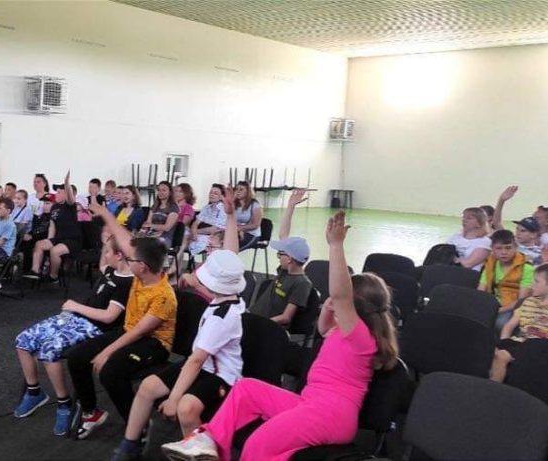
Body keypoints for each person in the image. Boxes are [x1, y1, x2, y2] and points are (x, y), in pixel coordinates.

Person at [162, 210, 399, 461]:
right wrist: (330, 306)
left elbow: (340, 294)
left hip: (330, 415)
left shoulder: (362, 338)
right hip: (309, 403)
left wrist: (336, 246)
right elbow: (321, 327)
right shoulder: (343, 331)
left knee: (257, 445)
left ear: (355, 304)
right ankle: (208, 442)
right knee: (246, 389)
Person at [112, 189, 247, 461]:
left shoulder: (223, 317)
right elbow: (230, 256)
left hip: (221, 375)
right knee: (148, 387)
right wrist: (230, 216)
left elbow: (196, 361)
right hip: (203, 364)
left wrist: (173, 398)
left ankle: (200, 451)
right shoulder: (225, 293)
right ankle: (131, 442)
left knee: (185, 407)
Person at [65, 200, 177, 440]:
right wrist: (105, 213)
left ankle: (138, 427)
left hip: (154, 344)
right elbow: (124, 239)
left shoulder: (163, 296)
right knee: (77, 358)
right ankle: (90, 412)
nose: (127, 260)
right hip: (129, 330)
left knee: (109, 371)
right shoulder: (142, 273)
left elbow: (138, 332)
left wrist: (107, 353)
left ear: (143, 267)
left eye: (132, 260)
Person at [12, 237, 134, 435]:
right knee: (23, 340)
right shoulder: (112, 270)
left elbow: (109, 316)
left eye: (108, 252)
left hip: (94, 326)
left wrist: (76, 306)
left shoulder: (127, 283)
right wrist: (108, 236)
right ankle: (34, 392)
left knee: (49, 350)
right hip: (75, 317)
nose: (104, 255)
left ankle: (64, 403)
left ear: (119, 255)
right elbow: (104, 261)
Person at [491, 263, 548, 382]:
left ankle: (492, 389)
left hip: (541, 348)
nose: (532, 285)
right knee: (486, 348)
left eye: (536, 281)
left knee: (501, 356)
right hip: (518, 342)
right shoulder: (529, 302)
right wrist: (503, 341)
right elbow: (509, 325)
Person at [248, 190, 313, 327]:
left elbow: (286, 317)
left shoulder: (302, 284)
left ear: (289, 259)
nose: (278, 256)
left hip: (266, 326)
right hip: (254, 317)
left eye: (280, 254)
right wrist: (290, 206)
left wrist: (260, 323)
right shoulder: (285, 271)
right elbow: (283, 234)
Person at [24, 172, 81, 284]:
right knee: (39, 244)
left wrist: (66, 183)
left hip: (72, 240)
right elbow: (52, 224)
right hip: (58, 238)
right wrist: (49, 239)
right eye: (56, 192)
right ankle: (35, 271)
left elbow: (70, 198)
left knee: (55, 251)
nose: (56, 194)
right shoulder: (55, 207)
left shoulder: (70, 206)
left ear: (66, 194)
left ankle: (53, 276)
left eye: (59, 192)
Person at [478, 229, 534, 328]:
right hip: (493, 302)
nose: (504, 252)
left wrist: (499, 311)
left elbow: (522, 299)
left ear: (516, 247)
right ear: (492, 249)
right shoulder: (490, 263)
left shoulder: (526, 268)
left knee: (500, 323)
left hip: (513, 306)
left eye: (508, 248)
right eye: (499, 248)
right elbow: (481, 289)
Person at [493, 186, 548, 253]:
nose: (533, 219)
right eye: (517, 229)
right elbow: (497, 223)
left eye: (537, 218)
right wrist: (501, 200)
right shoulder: (517, 241)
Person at [188, 184, 227, 255]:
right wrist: (193, 231)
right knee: (184, 236)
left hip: (216, 236)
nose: (212, 195)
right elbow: (195, 223)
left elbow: (215, 229)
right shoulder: (206, 208)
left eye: (215, 193)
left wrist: (196, 232)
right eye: (211, 192)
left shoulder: (223, 209)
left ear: (221, 197)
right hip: (201, 234)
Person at [141, 181, 180, 248]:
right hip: (151, 235)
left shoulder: (174, 208)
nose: (160, 192)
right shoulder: (155, 206)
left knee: (151, 246)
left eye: (164, 190)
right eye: (158, 190)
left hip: (164, 238)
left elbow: (167, 227)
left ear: (170, 192)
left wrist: (151, 225)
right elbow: (148, 223)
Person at [232, 181, 263, 250]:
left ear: (247, 192)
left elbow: (255, 225)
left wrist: (239, 228)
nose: (238, 191)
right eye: (236, 189)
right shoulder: (234, 204)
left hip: (252, 234)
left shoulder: (254, 204)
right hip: (237, 232)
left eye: (241, 189)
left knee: (231, 250)